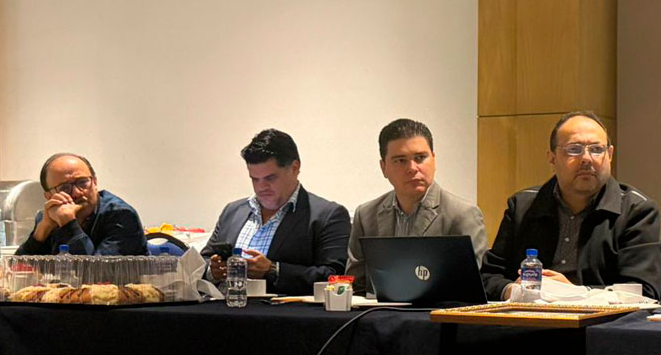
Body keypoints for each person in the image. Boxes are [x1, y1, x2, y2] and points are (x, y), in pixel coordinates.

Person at [481, 110, 661, 301]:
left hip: (599, 320)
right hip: (527, 316)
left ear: (610, 155)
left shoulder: (637, 211)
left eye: (597, 149)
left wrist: (573, 293)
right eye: (574, 149)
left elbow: (644, 291)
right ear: (552, 157)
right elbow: (487, 278)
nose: (586, 158)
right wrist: (515, 291)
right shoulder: (523, 206)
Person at [201, 129, 350, 295]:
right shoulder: (233, 211)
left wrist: (273, 270)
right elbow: (201, 262)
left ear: (294, 168)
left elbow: (335, 277)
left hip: (285, 310)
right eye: (254, 179)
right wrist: (213, 271)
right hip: (220, 307)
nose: (261, 187)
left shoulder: (328, 216)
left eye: (270, 178)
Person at [345, 118, 487, 292]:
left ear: (433, 160)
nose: (412, 168)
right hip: (377, 308)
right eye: (400, 160)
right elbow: (356, 284)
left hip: (438, 308)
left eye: (420, 158)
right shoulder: (366, 215)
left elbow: (468, 287)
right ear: (384, 167)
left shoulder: (463, 214)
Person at [16, 153, 147, 255]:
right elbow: (17, 269)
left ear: (95, 182)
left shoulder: (122, 215)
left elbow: (96, 274)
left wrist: (68, 223)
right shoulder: (50, 216)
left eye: (83, 182)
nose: (77, 192)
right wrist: (44, 228)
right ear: (49, 196)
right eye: (64, 188)